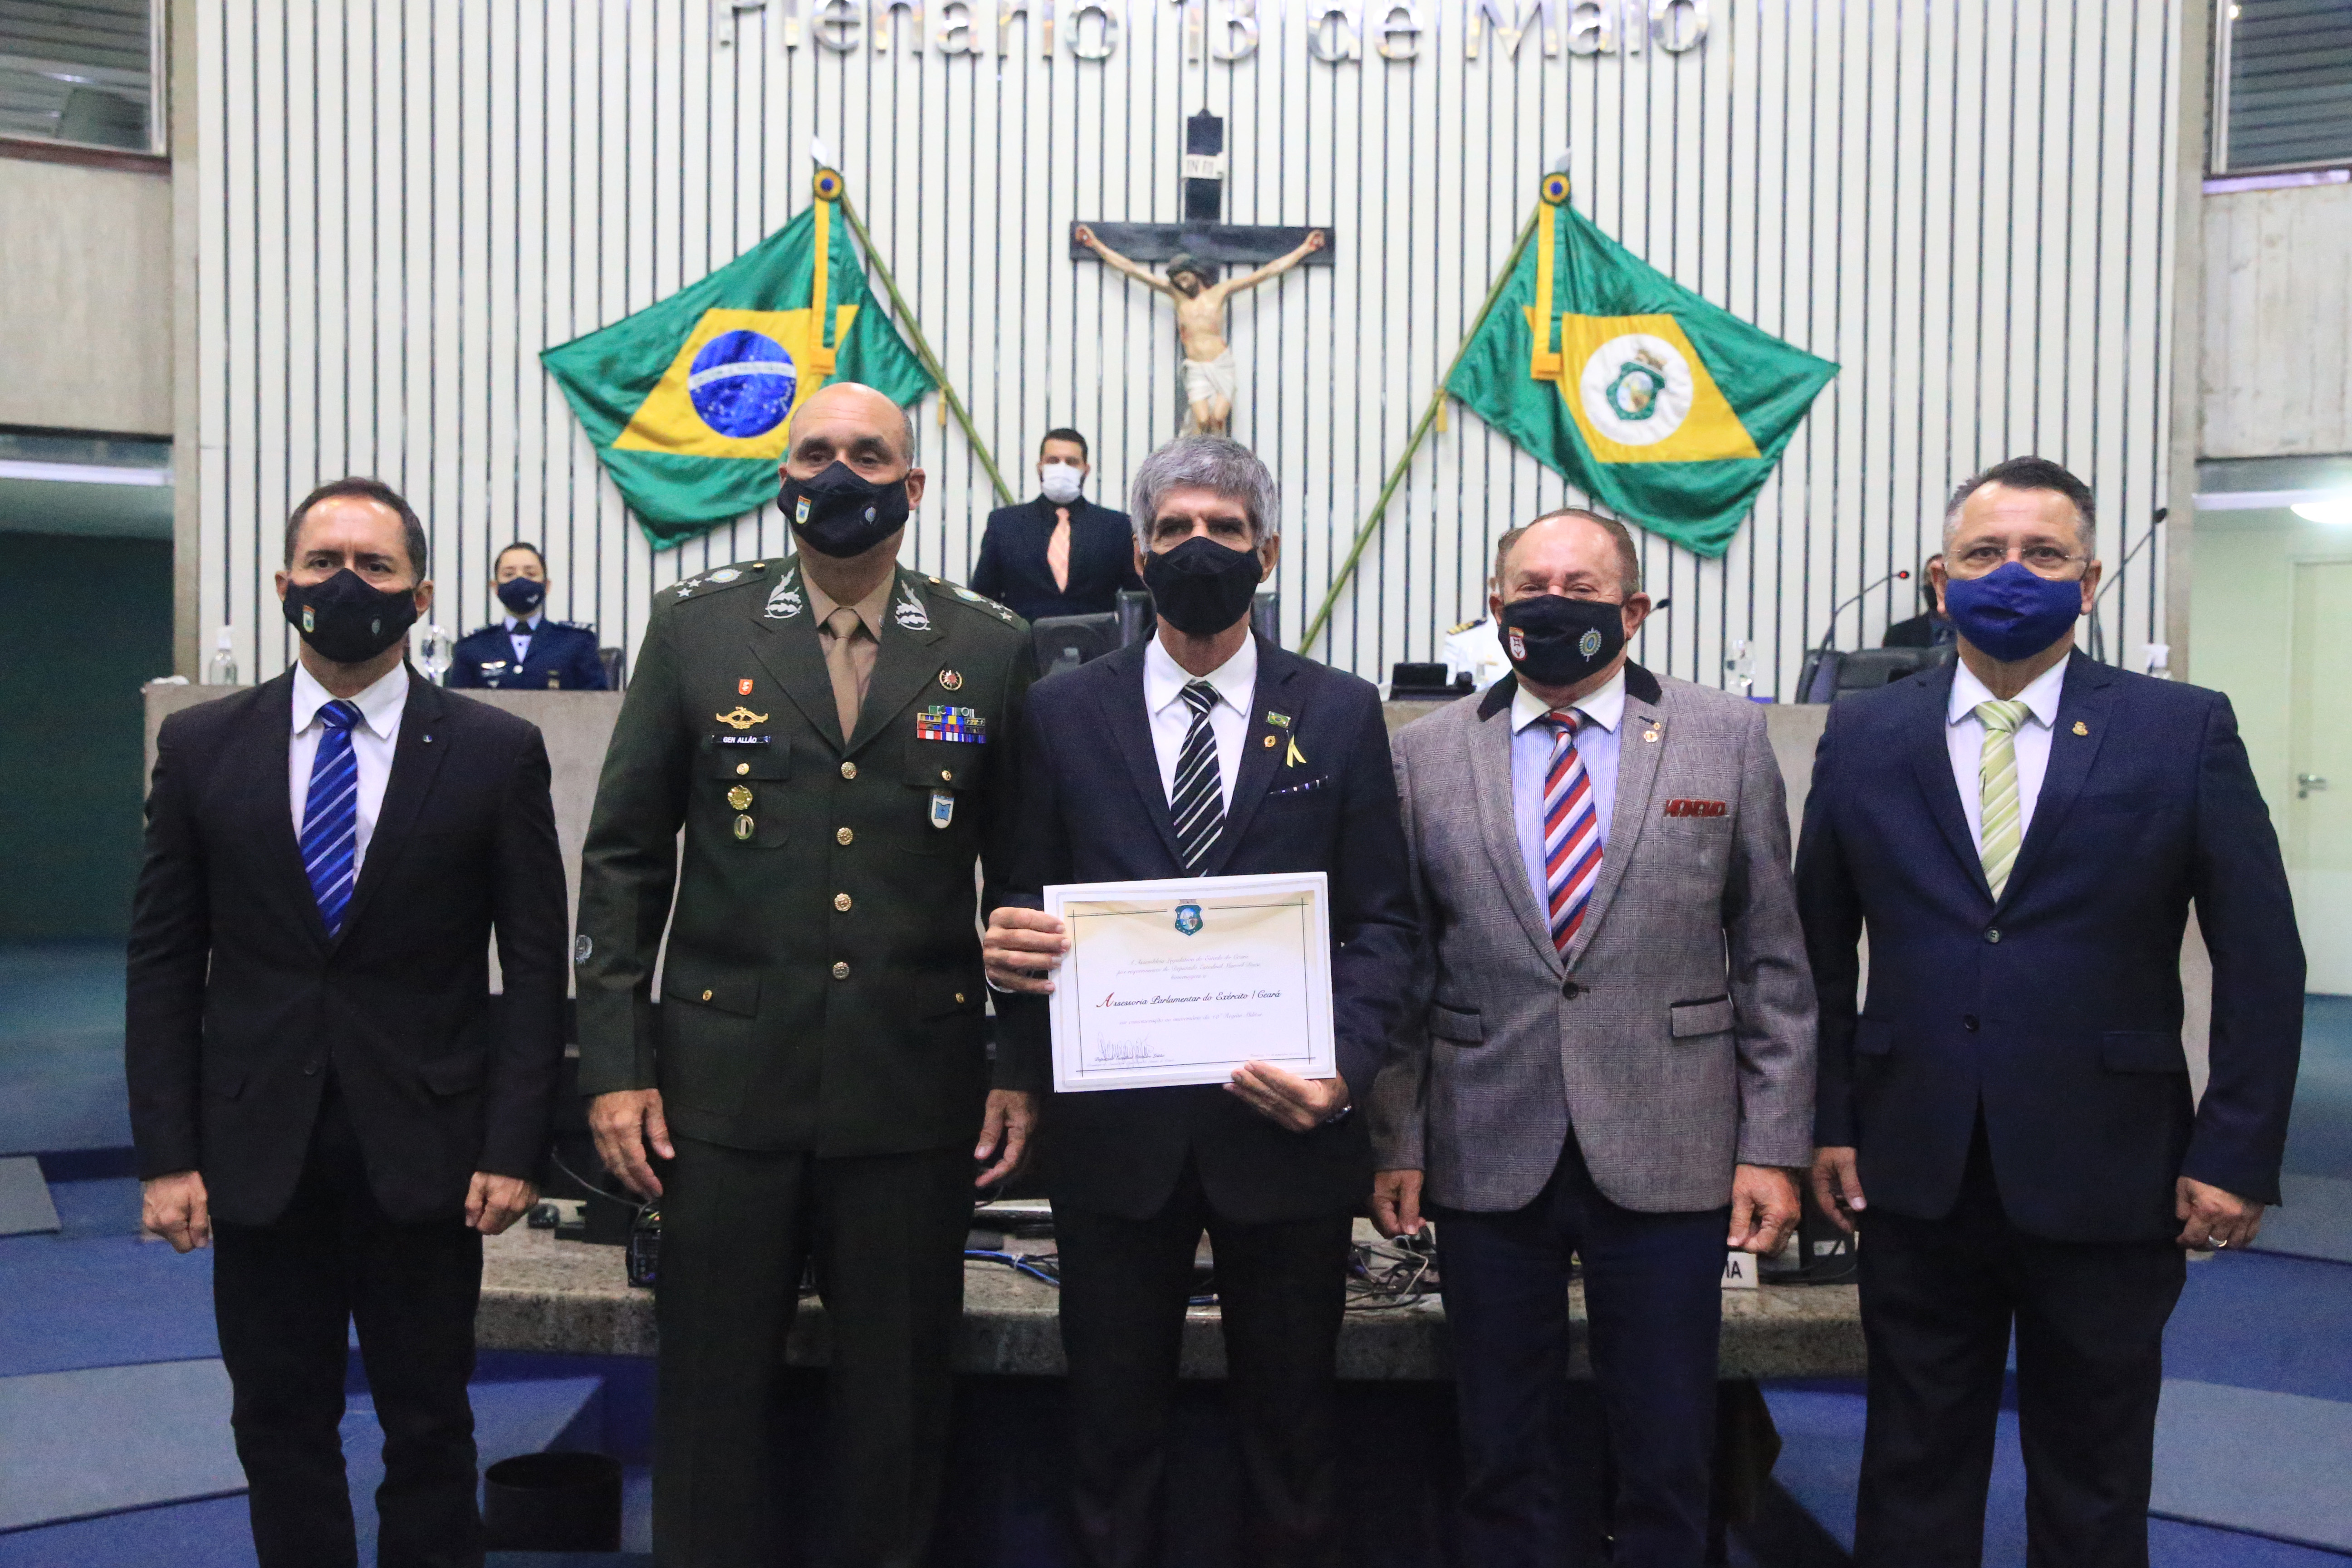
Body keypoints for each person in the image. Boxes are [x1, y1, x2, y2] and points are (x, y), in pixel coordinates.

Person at [1799, 456, 2304, 1568]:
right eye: (1984, 554)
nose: (2011, 574)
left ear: (2088, 580)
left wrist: (2235, 1150)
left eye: (2043, 554)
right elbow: (1815, 952)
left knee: (2093, 1474)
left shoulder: (2181, 729)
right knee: (1911, 1465)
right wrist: (1827, 1119)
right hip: (1913, 1161)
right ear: (1940, 581)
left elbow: (2262, 957)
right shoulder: (1864, 734)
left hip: (2112, 1164)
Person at [573, 382, 1039, 1568]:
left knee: (897, 1409)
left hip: (911, 1087)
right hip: (726, 1088)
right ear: (782, 478)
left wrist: (1019, 1067)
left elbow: (1024, 880)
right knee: (711, 1404)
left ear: (913, 486)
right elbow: (625, 859)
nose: (840, 475)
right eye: (816, 453)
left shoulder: (989, 644)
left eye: (868, 456)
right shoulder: (699, 628)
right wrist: (615, 1067)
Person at [982, 434, 1416, 1568]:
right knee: (1108, 1434)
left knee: (1294, 1438)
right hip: (1115, 1140)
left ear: (1266, 554)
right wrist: (1006, 952)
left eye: (1225, 530)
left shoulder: (1340, 712)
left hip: (1286, 1133)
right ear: (1139, 554)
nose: (1198, 548)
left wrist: (1344, 1071)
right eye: (1174, 528)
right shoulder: (1060, 712)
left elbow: (1386, 924)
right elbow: (1019, 892)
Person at [126, 476, 568, 1568]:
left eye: (375, 565)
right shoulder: (201, 746)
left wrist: (517, 1144)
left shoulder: (494, 750)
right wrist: (167, 1154)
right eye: (324, 563)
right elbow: (166, 960)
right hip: (256, 1146)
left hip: (427, 1146)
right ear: (284, 584)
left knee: (430, 1426)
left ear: (421, 595)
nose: (347, 584)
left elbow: (535, 966)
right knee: (278, 1424)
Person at [1368, 509, 1815, 1567]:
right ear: (1495, 607)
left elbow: (1772, 960)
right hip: (1484, 1142)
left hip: (1671, 1142)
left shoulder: (1723, 737)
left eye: (1580, 586)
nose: (1552, 602)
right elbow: (1404, 969)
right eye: (1531, 585)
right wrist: (1397, 1139)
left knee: (1667, 1448)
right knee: (1498, 1447)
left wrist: (1772, 1146)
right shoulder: (1423, 754)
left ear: (1634, 610)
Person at [1074, 225, 1326, 436]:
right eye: (1178, 281)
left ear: (1196, 274)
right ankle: (1196, 464)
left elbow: (1267, 272)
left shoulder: (1220, 292)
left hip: (1221, 362)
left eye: (1185, 278)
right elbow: (1131, 269)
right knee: (1202, 421)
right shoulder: (1177, 296)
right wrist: (1095, 245)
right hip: (1196, 366)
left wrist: (1305, 249)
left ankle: (1219, 465)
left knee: (1218, 419)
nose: (1182, 285)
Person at [969, 428, 1143, 623]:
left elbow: (1139, 598)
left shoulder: (1116, 527)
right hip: (1023, 638)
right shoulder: (1004, 524)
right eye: (1053, 461)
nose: (1062, 469)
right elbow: (983, 597)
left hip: (1096, 639)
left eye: (1071, 462)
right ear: (1040, 467)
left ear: (1086, 470)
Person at [447, 541, 609, 689]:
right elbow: (456, 705)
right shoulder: (472, 647)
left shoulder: (577, 643)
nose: (520, 580)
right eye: (509, 575)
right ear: (495, 587)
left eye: (530, 574)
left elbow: (598, 703)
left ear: (546, 586)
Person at [1881, 555, 1955, 650]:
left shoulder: (1973, 631)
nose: (1937, 582)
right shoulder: (1900, 634)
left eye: (1944, 575)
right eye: (1931, 577)